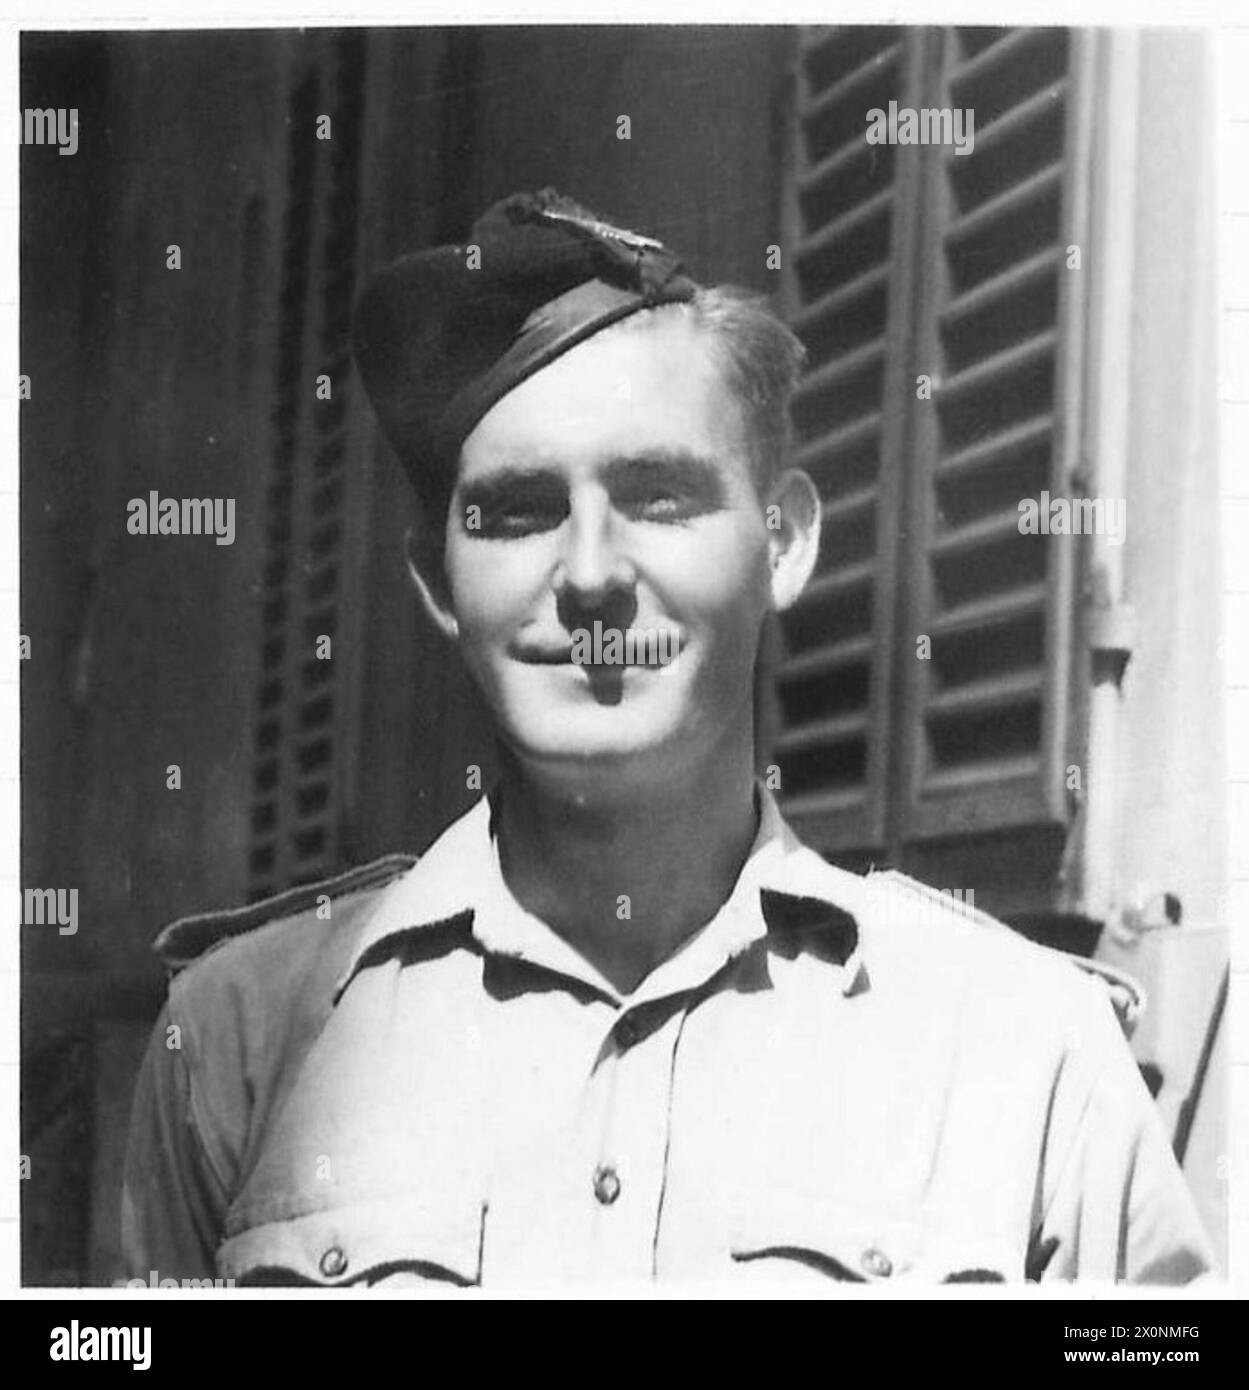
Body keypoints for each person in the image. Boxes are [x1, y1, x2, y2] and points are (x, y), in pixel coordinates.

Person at [122, 188, 1213, 1287]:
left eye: (657, 497)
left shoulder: (1027, 1054)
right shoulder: (233, 1043)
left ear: (781, 544)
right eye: (516, 510)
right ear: (437, 585)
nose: (590, 573)